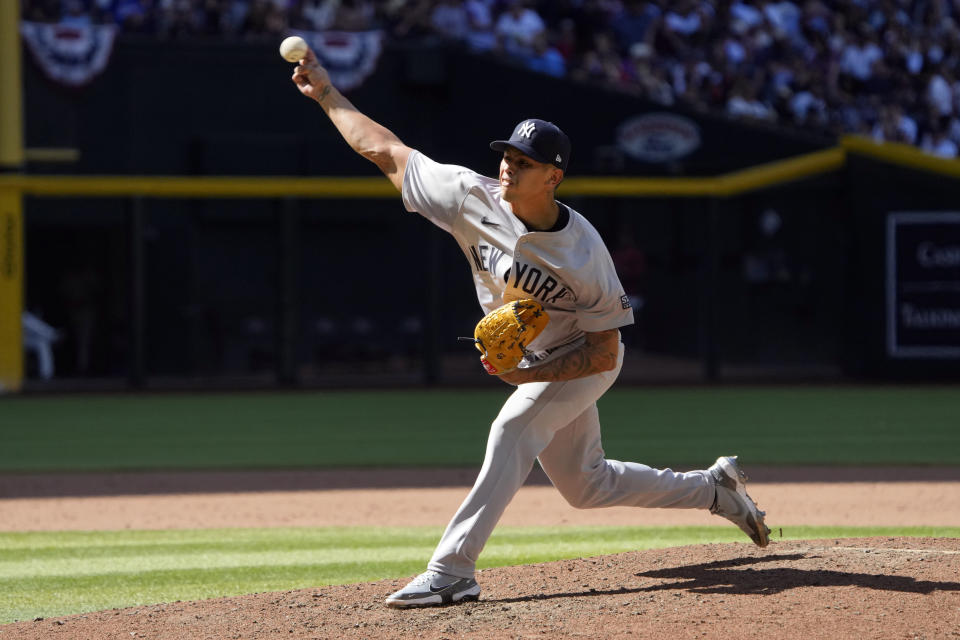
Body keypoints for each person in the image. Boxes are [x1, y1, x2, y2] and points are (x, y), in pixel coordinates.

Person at [289, 47, 771, 609]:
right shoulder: (468, 197)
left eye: (523, 163)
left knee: (512, 430)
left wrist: (530, 373)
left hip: (581, 358)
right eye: (507, 156)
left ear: (553, 177)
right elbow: (386, 151)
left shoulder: (584, 253)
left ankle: (452, 571)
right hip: (538, 360)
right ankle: (715, 489)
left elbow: (603, 350)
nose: (507, 167)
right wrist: (326, 92)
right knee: (588, 486)